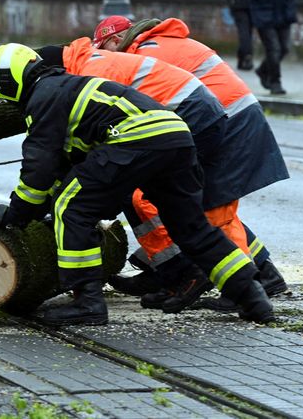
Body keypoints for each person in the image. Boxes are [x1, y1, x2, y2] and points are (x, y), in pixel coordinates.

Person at [0, 43, 274, 326]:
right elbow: (65, 170)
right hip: (176, 136)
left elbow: (38, 169)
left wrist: (13, 215)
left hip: (138, 137)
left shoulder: (44, 97)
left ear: (9, 84)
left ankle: (86, 302)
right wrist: (39, 208)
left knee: (72, 206)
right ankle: (251, 295)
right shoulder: (68, 88)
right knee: (190, 226)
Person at [96, 16, 291, 305]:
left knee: (196, 205)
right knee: (211, 202)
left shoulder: (143, 55)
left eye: (103, 52)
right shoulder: (156, 43)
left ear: (114, 41)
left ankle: (233, 286)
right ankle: (263, 274)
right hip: (231, 118)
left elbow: (141, 114)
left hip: (226, 121)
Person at [37, 36, 232, 313]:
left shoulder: (90, 73)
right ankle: (175, 273)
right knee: (152, 197)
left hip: (188, 115)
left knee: (149, 198)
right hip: (186, 113)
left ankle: (187, 272)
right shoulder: (84, 63)